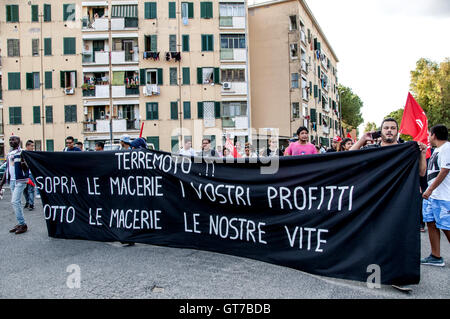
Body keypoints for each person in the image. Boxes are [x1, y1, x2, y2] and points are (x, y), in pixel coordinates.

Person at [350, 117, 427, 291]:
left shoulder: (407, 150)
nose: (389, 131)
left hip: (400, 202)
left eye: (393, 128)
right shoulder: (372, 150)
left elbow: (422, 172)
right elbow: (350, 157)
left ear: (397, 131)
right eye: (386, 128)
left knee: (398, 237)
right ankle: (373, 271)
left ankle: (397, 276)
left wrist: (422, 153)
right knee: (374, 237)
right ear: (381, 130)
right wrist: (362, 140)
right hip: (375, 201)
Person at [421, 124, 450, 267]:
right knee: (431, 223)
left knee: (447, 226)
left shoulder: (447, 148)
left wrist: (430, 189)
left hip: (444, 196)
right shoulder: (436, 150)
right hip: (433, 197)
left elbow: (445, 170)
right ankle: (435, 255)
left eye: (429, 134)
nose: (428, 137)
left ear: (434, 135)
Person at [0, 135, 30, 234]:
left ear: (19, 141)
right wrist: (1, 183)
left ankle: (23, 224)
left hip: (20, 180)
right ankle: (20, 223)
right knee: (17, 202)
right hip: (12, 181)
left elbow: (27, 168)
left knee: (15, 202)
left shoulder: (22, 152)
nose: (11, 141)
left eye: (13, 139)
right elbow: (7, 169)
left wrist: (23, 163)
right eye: (10, 140)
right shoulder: (9, 154)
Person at [23, 140, 36, 211]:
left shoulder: (33, 154)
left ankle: (31, 204)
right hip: (24, 174)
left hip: (31, 174)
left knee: (30, 190)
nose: (33, 147)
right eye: (32, 146)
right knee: (24, 190)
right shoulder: (23, 153)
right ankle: (27, 202)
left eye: (33, 146)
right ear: (27, 146)